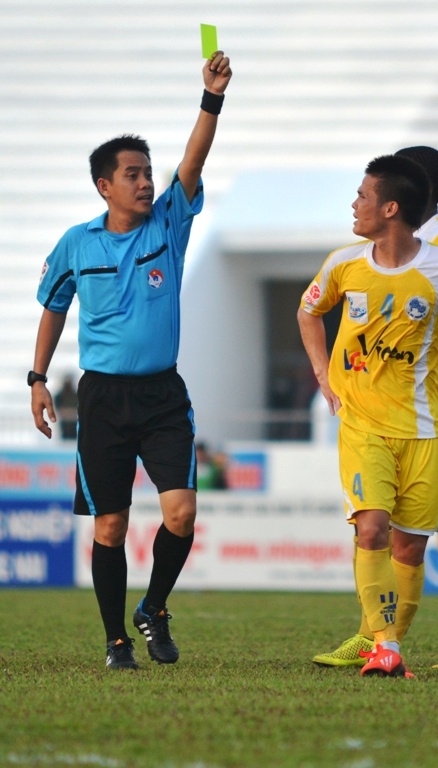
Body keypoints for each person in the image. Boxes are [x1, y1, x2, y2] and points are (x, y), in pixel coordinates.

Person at [29, 51, 233, 671]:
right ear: (105, 186)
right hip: (103, 399)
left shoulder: (167, 223)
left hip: (163, 395)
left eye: (147, 172)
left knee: (182, 513)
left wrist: (212, 97)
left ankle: (155, 607)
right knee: (110, 527)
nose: (145, 182)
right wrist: (38, 378)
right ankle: (116, 639)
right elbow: (54, 308)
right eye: (133, 174)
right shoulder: (76, 242)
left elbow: (193, 162)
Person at [298, 154, 438, 678]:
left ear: (404, 196)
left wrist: (418, 352)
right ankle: (380, 639)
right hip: (386, 409)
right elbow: (312, 310)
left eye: (368, 192)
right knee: (385, 528)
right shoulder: (355, 259)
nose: (357, 201)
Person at [53, 374, 79, 440]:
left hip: (74, 426)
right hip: (64, 426)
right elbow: (60, 411)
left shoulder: (77, 396)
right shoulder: (59, 397)